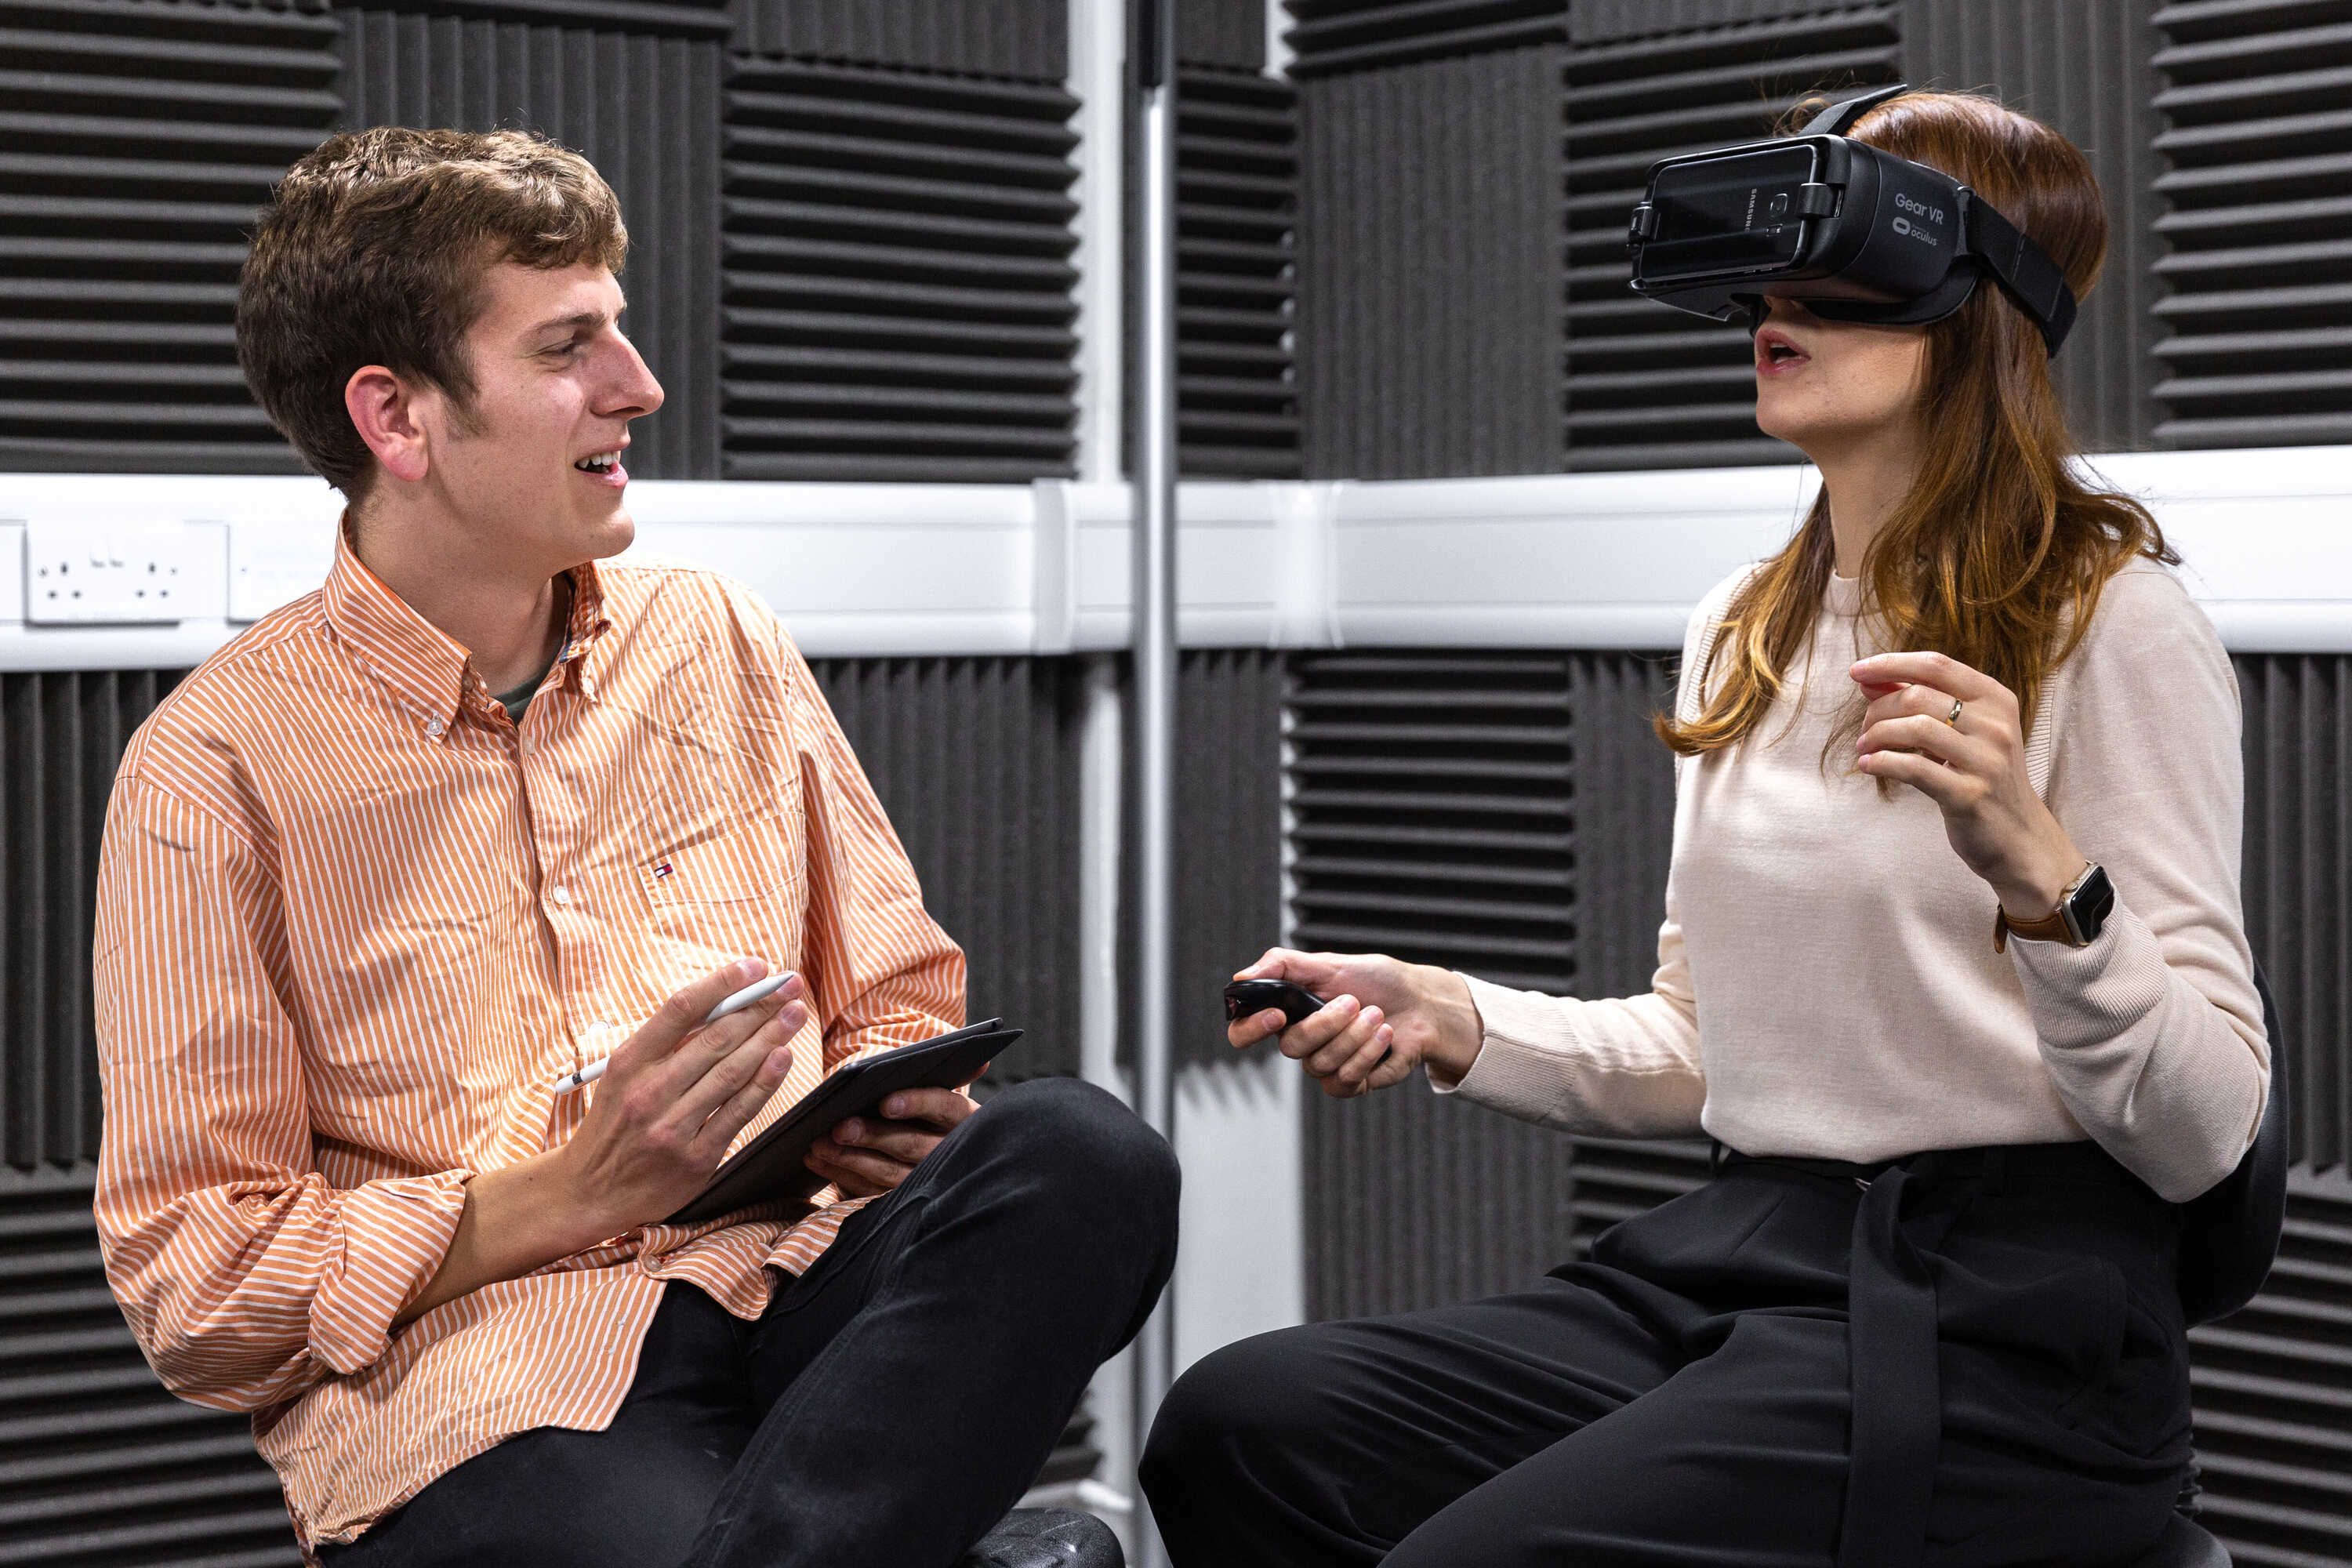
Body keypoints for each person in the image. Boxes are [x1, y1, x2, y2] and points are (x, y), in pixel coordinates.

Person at [1142, 90, 2268, 1568]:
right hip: (1747, 1259)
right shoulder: (1743, 623)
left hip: (2002, 1317)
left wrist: (2047, 879)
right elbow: (1707, 1044)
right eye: (1767, 282)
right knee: (1245, 1423)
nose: (1773, 310)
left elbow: (2208, 1137)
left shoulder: (2113, 622)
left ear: (1977, 302)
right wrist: (1452, 1020)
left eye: (1831, 273)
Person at [91, 127, 1176, 1568]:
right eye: (569, 347)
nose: (639, 385)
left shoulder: (713, 635)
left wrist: (879, 1116)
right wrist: (574, 1192)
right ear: (398, 419)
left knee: (1085, 1158)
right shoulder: (209, 771)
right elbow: (197, 1291)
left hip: (794, 1276)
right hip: (500, 1380)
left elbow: (893, 999)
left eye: (622, 326)